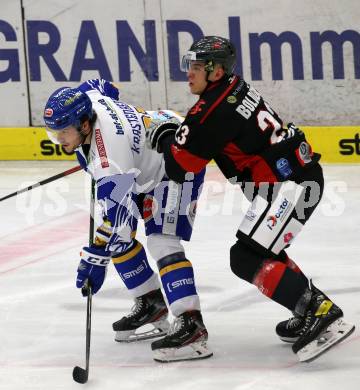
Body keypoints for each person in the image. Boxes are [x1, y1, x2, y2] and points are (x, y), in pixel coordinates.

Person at [145, 36, 355, 362]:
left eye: (197, 67)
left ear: (216, 72)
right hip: (291, 179)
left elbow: (178, 166)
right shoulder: (233, 86)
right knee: (262, 248)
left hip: (290, 185)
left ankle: (320, 310)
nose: (189, 73)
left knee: (246, 257)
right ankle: (306, 305)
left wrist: (164, 136)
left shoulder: (210, 111)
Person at [43, 79, 213, 363]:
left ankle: (192, 324)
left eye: (63, 132)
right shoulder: (87, 100)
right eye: (54, 132)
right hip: (140, 163)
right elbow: (102, 85)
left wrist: (93, 259)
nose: (59, 139)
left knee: (161, 241)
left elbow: (118, 223)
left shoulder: (109, 161)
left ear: (85, 125)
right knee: (117, 237)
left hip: (177, 160)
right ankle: (152, 304)